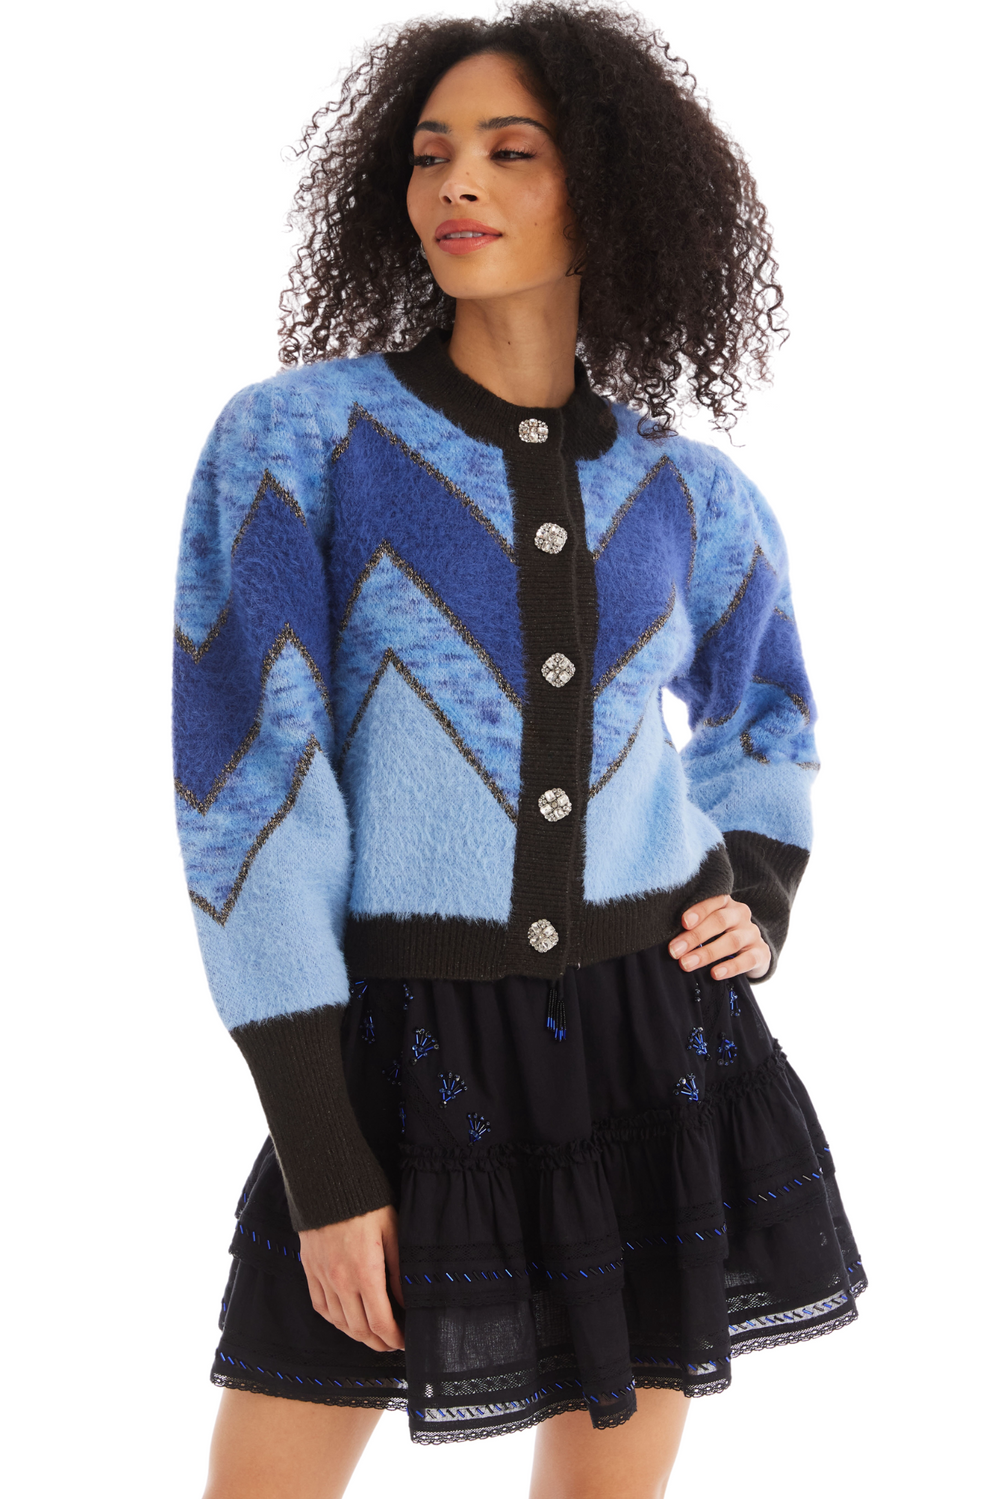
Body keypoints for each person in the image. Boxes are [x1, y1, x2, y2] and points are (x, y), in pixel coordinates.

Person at [172, 6, 865, 1496]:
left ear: (607, 187)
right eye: (431, 155)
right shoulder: (300, 445)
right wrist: (324, 1156)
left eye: (511, 151)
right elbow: (248, 793)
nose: (457, 185)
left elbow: (768, 714)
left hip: (654, 1040)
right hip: (397, 1047)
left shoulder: (691, 490)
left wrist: (757, 883)